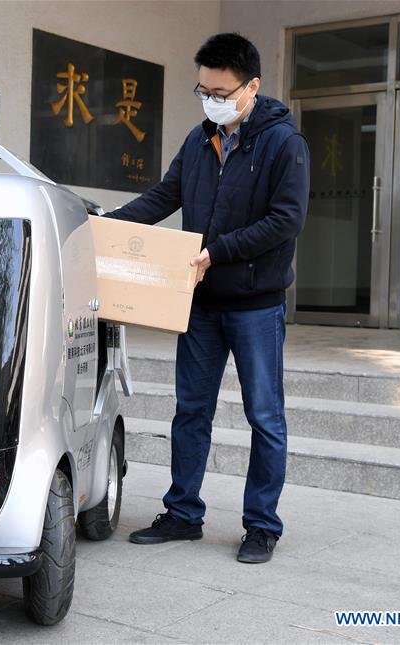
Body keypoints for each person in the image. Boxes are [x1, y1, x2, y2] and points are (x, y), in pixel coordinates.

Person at [104, 32, 309, 563]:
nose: (212, 100)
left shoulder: (284, 143)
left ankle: (262, 525)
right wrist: (100, 226)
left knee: (265, 417)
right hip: (199, 306)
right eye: (204, 90)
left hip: (256, 307)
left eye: (221, 91)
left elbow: (286, 220)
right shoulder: (199, 142)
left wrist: (217, 253)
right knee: (191, 412)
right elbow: (162, 198)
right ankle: (183, 514)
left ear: (252, 87)